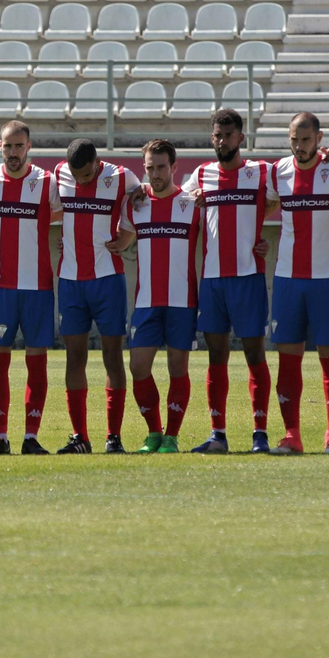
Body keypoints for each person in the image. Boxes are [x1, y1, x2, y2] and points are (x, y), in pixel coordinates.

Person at [266, 112, 329, 455]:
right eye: (294, 139)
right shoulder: (278, 171)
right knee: (288, 359)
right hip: (288, 279)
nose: (299, 146)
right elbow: (263, 207)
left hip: (327, 278)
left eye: (306, 140)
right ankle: (291, 435)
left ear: (319, 138)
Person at [182, 108, 277, 455]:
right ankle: (218, 434)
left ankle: (260, 433)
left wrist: (257, 228)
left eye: (228, 135)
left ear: (241, 138)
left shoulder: (260, 172)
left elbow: (291, 185)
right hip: (213, 281)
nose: (222, 141)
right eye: (217, 136)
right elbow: (172, 197)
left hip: (248, 277)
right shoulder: (201, 174)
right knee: (216, 357)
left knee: (255, 355)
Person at [0, 121, 61, 455]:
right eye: (8, 146)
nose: (13, 153)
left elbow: (82, 202)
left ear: (29, 147)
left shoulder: (47, 183)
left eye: (19, 146)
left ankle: (31, 436)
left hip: (37, 287)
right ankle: (0, 437)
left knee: (37, 363)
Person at [53, 139, 141, 454]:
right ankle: (80, 438)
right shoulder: (60, 172)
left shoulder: (120, 176)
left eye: (86, 177)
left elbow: (140, 195)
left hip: (107, 280)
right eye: (76, 177)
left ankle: (113, 437)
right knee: (74, 356)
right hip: (71, 281)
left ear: (97, 162)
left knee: (112, 356)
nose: (80, 182)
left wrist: (127, 236)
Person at [122, 139, 200, 454]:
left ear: (174, 167)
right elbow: (119, 240)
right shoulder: (137, 204)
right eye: (150, 168)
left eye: (161, 167)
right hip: (146, 301)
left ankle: (172, 436)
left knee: (177, 369)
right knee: (138, 367)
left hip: (182, 301)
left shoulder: (193, 203)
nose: (155, 173)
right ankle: (154, 432)